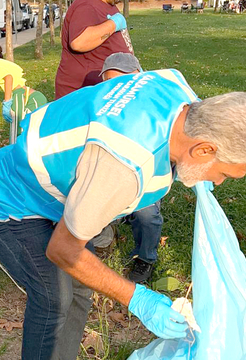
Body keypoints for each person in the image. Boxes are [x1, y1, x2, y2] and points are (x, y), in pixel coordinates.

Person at [0, 69, 246, 359]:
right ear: (203, 150)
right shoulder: (124, 167)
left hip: (45, 189)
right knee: (53, 297)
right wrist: (137, 298)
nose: (219, 181)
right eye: (224, 174)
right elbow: (63, 250)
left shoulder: (176, 87)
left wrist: (193, 173)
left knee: (80, 289)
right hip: (0, 199)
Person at [97, 52, 163, 283]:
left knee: (146, 214)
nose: (114, 88)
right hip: (113, 166)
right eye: (108, 83)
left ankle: (145, 257)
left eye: (121, 81)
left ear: (137, 76)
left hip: (150, 167)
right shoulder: (101, 103)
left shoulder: (157, 103)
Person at [55, 0, 134, 99]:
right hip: (83, 96)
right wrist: (114, 24)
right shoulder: (87, 4)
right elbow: (79, 42)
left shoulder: (108, 4)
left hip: (107, 92)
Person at [0, 45, 48, 125]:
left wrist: (7, 102)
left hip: (25, 97)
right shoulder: (3, 63)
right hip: (35, 97)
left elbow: (8, 78)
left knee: (19, 128)